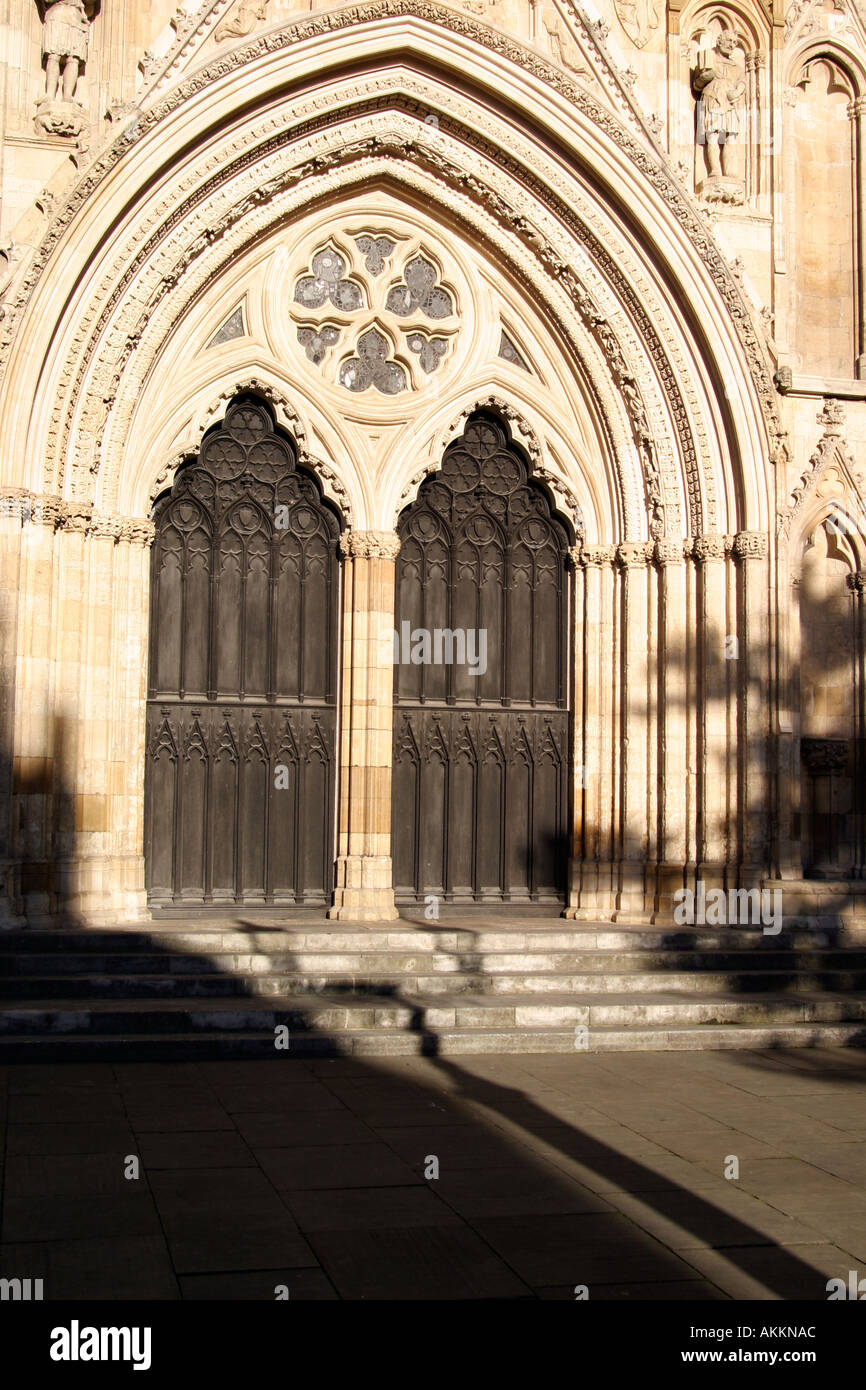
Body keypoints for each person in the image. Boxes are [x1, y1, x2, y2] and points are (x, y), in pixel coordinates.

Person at [694, 30, 746, 180]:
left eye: (735, 43)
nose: (732, 45)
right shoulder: (709, 59)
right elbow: (697, 85)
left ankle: (731, 172)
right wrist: (705, 77)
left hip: (729, 102)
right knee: (713, 135)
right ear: (719, 41)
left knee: (730, 136)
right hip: (712, 98)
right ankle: (715, 170)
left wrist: (737, 92)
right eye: (729, 40)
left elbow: (742, 83)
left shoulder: (737, 67)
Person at [42, 0, 90, 104]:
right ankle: (50, 95)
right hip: (57, 13)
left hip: (76, 16)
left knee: (73, 59)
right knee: (53, 55)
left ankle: (68, 95)